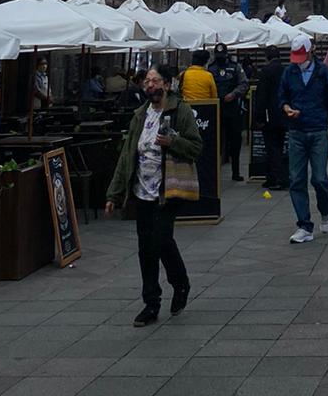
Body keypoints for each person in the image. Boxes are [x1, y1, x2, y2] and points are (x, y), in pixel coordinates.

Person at [105, 64, 200, 326]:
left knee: (158, 240)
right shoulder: (140, 115)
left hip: (168, 190)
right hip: (142, 192)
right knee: (147, 247)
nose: (150, 85)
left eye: (155, 81)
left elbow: (196, 147)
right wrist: (114, 194)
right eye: (147, 81)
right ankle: (155, 300)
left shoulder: (180, 111)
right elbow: (127, 155)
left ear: (167, 85)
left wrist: (174, 143)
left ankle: (172, 288)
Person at [278, 34, 328, 242]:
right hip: (296, 131)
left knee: (319, 178)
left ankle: (325, 210)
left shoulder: (323, 72)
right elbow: (282, 97)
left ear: (310, 52)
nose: (299, 61)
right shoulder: (289, 72)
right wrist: (287, 108)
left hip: (317, 130)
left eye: (302, 56)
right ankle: (304, 225)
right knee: (296, 179)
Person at [209, 41, 248, 181]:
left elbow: (244, 83)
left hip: (232, 109)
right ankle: (214, 170)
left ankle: (235, 171)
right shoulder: (210, 68)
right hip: (216, 108)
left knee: (235, 141)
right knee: (215, 141)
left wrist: (234, 94)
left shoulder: (235, 67)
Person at [253, 45, 289, 189]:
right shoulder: (286, 70)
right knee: (280, 145)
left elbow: (261, 96)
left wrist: (258, 117)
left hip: (270, 115)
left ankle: (277, 177)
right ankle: (274, 176)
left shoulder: (266, 71)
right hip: (284, 113)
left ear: (267, 57)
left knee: (271, 147)